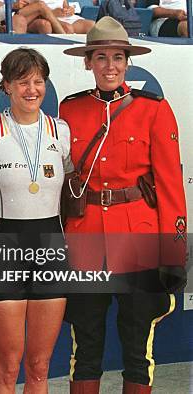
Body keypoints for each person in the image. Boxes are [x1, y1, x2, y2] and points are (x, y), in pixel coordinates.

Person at [61, 16, 187, 394]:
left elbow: (169, 187)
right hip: (84, 242)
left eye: (118, 57)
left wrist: (174, 254)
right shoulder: (70, 111)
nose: (110, 66)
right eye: (101, 57)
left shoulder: (154, 109)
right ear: (88, 62)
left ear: (127, 61)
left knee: (137, 349)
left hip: (138, 240)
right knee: (85, 347)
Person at [0, 48, 72, 393]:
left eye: (38, 81)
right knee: (7, 367)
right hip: (6, 249)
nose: (31, 89)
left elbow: (69, 187)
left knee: (39, 366)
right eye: (22, 82)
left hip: (50, 249)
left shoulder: (59, 131)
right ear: (6, 86)